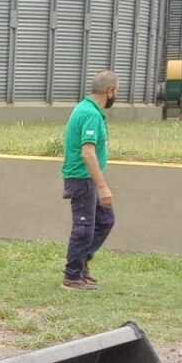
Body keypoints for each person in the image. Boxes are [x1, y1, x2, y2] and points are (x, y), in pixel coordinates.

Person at [61, 70, 118, 291]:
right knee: (84, 227)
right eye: (116, 91)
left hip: (87, 178)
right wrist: (102, 186)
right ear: (110, 91)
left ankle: (82, 264)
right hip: (81, 178)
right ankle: (72, 276)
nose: (116, 96)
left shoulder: (87, 109)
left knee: (105, 220)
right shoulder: (90, 114)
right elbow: (87, 152)